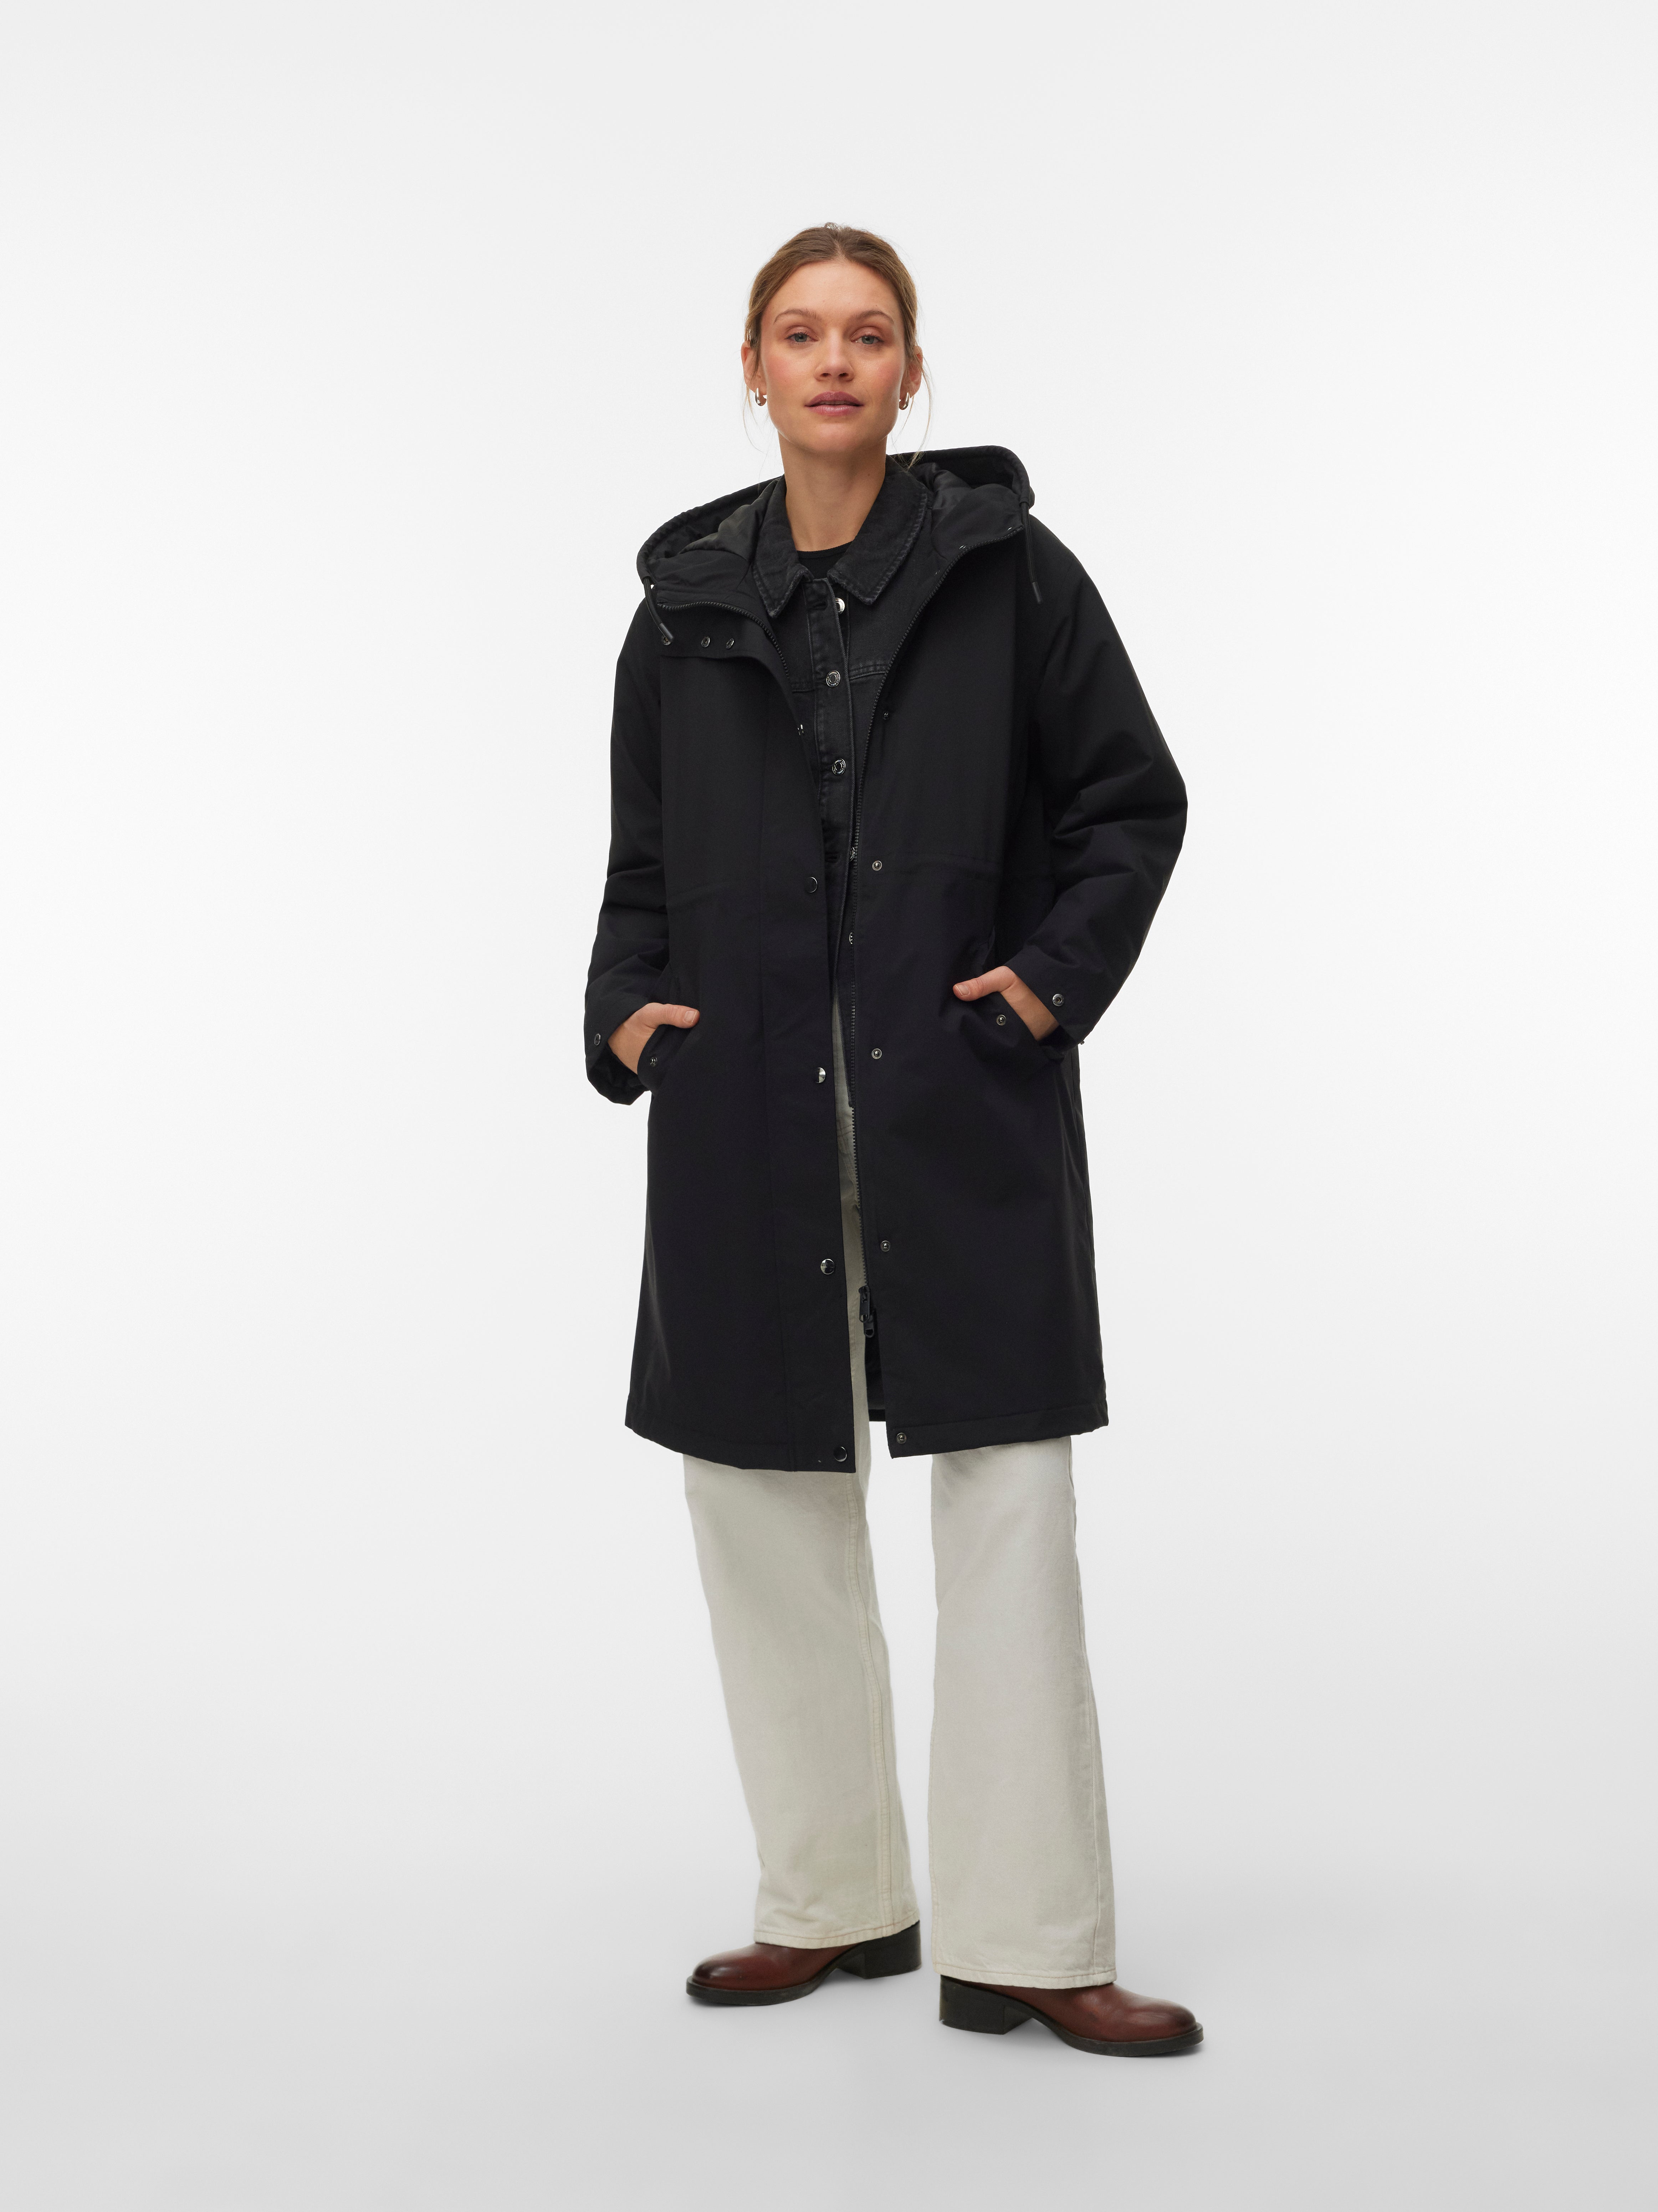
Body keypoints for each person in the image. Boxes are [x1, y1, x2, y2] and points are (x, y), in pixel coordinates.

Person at [584, 224, 1199, 2058]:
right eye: (800, 333)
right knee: (759, 1501)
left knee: (1005, 1503)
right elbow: (638, 861)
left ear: (912, 372)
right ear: (753, 370)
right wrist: (624, 1009)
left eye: (868, 334)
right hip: (743, 1111)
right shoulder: (680, 611)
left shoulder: (1013, 578)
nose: (835, 361)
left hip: (957, 1094)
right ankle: (831, 1901)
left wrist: (1046, 986)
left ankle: (1028, 1936)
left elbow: (1130, 804)